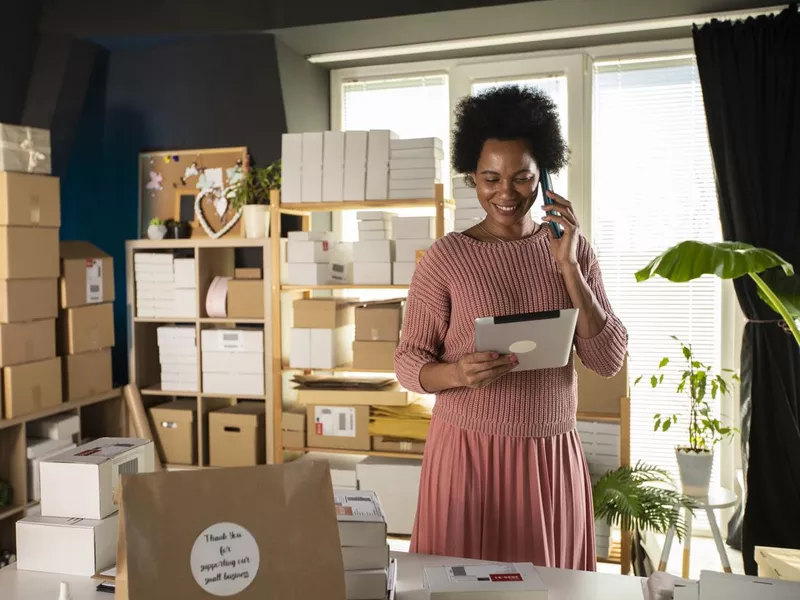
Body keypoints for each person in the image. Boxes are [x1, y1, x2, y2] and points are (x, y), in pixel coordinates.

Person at [393, 84, 628, 571]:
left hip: (549, 454)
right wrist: (458, 373)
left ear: (543, 177)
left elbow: (607, 360)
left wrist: (570, 269)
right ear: (471, 177)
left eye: (521, 178)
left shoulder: (573, 250)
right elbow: (408, 361)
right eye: (490, 178)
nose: (505, 193)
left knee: (547, 585)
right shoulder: (446, 259)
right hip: (468, 454)